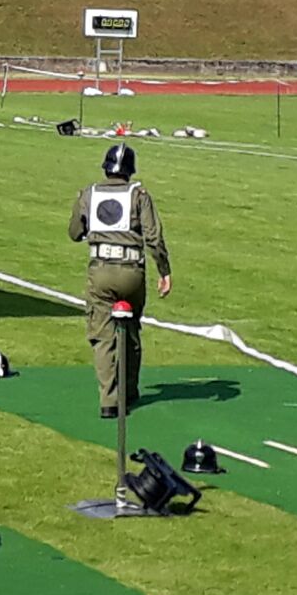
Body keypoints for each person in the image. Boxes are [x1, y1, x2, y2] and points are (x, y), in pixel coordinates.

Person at [67, 144, 171, 419]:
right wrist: (164, 271)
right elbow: (154, 237)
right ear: (130, 171)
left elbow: (74, 232)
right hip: (132, 272)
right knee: (132, 330)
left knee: (103, 337)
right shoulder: (139, 194)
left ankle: (109, 401)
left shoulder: (89, 193)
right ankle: (130, 390)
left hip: (100, 271)